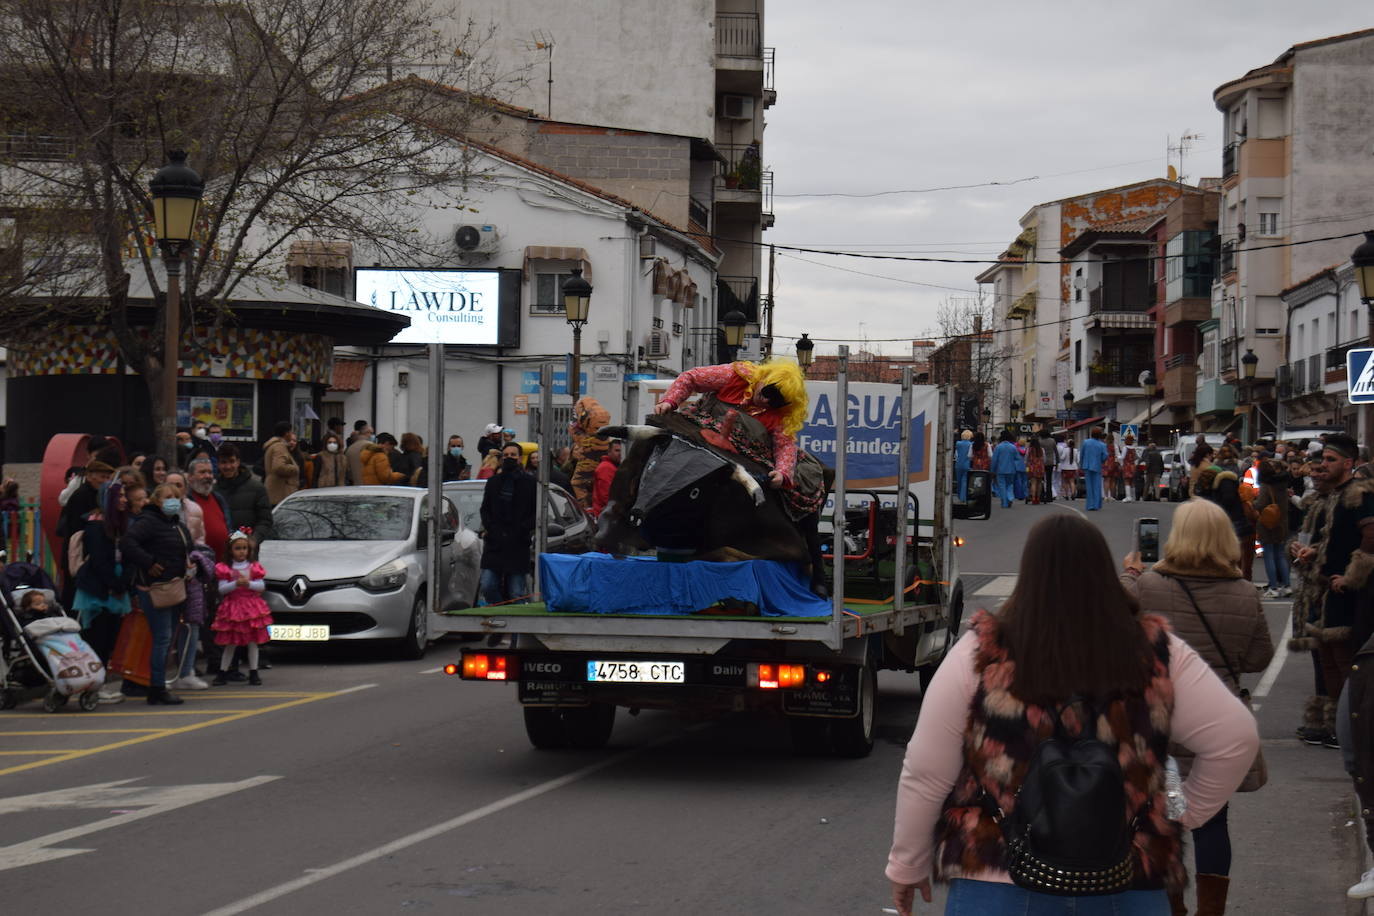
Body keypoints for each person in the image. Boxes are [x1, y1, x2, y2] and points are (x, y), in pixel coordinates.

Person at [886, 514, 1259, 916]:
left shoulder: (981, 653)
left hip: (998, 876)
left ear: (1029, 574)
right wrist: (1183, 812)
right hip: (1127, 877)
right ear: (1104, 572)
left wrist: (907, 864)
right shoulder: (1157, 653)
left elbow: (926, 770)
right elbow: (1236, 739)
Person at [1120, 499, 1274, 915]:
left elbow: (1118, 631)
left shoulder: (1148, 586)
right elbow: (1260, 658)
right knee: (1211, 821)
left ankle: (1170, 905)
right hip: (1213, 724)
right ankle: (1211, 909)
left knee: (1158, 820)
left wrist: (1130, 574)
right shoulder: (1244, 592)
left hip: (1157, 722)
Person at [654, 360, 831, 594]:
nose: (768, 401)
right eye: (769, 392)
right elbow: (690, 378)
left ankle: (817, 569)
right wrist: (670, 401)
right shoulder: (734, 375)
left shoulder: (779, 416)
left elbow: (784, 445)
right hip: (702, 431)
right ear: (764, 380)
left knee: (805, 483)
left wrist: (783, 473)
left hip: (751, 451)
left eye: (777, 400)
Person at [1291, 433, 1374, 750]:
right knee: (1326, 662)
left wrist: (1352, 576)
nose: (1322, 465)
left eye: (1331, 460)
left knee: (1344, 662)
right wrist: (1301, 550)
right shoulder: (1326, 497)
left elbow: (1370, 538)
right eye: (1322, 459)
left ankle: (1351, 729)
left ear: (1349, 463)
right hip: (1319, 592)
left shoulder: (1360, 494)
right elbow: (1320, 539)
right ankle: (1331, 725)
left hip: (1345, 595)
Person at [121, 483, 194, 706]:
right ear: (156, 500)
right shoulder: (149, 521)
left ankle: (158, 682)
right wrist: (149, 562)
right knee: (162, 638)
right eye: (167, 497)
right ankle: (156, 687)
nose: (172, 501)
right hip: (155, 589)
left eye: (176, 497)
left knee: (167, 638)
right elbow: (127, 542)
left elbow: (187, 547)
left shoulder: (175, 524)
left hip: (174, 586)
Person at [72, 481, 142, 702]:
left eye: (124, 495)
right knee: (97, 637)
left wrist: (124, 581)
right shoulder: (95, 526)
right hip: (100, 589)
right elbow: (100, 561)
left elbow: (129, 554)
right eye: (119, 496)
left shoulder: (121, 525)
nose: (124, 499)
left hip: (116, 586)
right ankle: (94, 684)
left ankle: (97, 682)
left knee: (109, 637)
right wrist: (115, 584)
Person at [211, 531, 272, 686]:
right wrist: (235, 584)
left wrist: (248, 584)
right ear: (231, 550)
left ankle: (254, 672)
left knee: (253, 641)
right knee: (230, 642)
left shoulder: (253, 567)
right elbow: (222, 589)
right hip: (233, 607)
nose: (242, 551)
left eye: (244, 548)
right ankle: (222, 672)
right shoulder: (225, 568)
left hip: (251, 608)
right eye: (238, 548)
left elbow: (261, 586)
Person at [479, 443, 537, 605]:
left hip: (518, 544)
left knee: (516, 592)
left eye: (513, 455)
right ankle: (501, 620)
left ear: (519, 458)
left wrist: (523, 529)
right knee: (488, 585)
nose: (509, 458)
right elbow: (485, 509)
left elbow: (536, 512)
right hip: (495, 544)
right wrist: (491, 527)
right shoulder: (493, 482)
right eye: (506, 455)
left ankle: (515, 629)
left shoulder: (530, 483)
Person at [215, 445, 273, 545]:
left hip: (247, 552)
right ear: (218, 464)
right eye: (224, 462)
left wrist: (253, 539)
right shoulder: (213, 490)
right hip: (221, 550)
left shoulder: (257, 489)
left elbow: (265, 520)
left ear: (238, 462)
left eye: (231, 461)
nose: (228, 466)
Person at [1255, 458, 1292, 598]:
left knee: (1269, 555)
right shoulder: (1282, 483)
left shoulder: (1267, 485)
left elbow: (1261, 503)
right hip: (1282, 522)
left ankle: (1273, 586)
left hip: (1268, 523)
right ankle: (1287, 585)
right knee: (1280, 554)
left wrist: (1252, 503)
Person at [261, 421, 301, 505]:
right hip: (280, 493)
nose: (291, 434)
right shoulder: (280, 446)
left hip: (275, 491)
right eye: (291, 431)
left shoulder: (273, 445)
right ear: (286, 433)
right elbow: (279, 467)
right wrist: (295, 468)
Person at [591, 440, 622, 517]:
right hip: (606, 515)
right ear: (609, 452)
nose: (620, 453)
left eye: (621, 450)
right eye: (617, 450)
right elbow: (607, 495)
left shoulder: (611, 466)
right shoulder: (606, 468)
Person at [989, 430, 1019, 510]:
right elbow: (1017, 459)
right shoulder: (1013, 447)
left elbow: (994, 460)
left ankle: (1004, 502)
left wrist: (992, 470)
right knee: (1009, 485)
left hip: (1000, 470)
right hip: (1011, 470)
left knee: (1002, 486)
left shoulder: (998, 447)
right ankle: (1010, 497)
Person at [1080, 427, 1108, 510]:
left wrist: (1081, 464)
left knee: (1089, 486)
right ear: (1100, 435)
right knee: (1097, 486)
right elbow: (1105, 455)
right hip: (1097, 466)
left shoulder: (1086, 442)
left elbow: (1082, 454)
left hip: (1087, 466)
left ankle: (1090, 505)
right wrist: (1101, 461)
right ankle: (1096, 504)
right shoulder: (1102, 444)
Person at [1057, 435, 1078, 500]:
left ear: (1068, 444)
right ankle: (1073, 493)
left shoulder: (1065, 450)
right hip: (1073, 467)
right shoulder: (1076, 450)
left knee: (1065, 482)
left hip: (1065, 468)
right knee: (1072, 481)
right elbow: (1077, 460)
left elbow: (1062, 458)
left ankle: (1066, 495)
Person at [954, 430, 972, 502]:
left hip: (958, 464)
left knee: (958, 481)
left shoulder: (958, 443)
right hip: (966, 464)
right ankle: (963, 497)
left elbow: (956, 454)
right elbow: (970, 455)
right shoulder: (971, 444)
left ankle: (958, 495)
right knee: (964, 481)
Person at [1039, 429, 1057, 502]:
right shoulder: (1052, 441)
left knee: (1041, 480)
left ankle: (1042, 496)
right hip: (1050, 462)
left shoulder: (1040, 441)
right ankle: (1049, 496)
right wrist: (1057, 462)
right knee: (1049, 480)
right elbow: (1056, 452)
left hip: (1042, 462)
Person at [1025, 438, 1044, 505]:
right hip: (1040, 467)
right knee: (1039, 483)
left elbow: (1026, 459)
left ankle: (1033, 498)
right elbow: (1044, 458)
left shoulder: (1029, 449)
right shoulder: (1041, 449)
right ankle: (1038, 498)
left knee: (1033, 483)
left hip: (1032, 467)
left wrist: (1026, 467)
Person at [1121, 434, 1139, 503]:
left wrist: (1118, 457)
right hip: (1132, 466)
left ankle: (1128, 497)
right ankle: (1133, 497)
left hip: (1127, 465)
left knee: (1126, 481)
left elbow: (1122, 457)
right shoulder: (1134, 448)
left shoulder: (1125, 448)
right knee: (1132, 481)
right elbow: (1136, 457)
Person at [1103, 431, 1120, 501]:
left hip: (1106, 463)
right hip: (1113, 464)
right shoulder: (1115, 446)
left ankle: (1106, 496)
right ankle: (1111, 496)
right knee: (1113, 481)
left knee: (1106, 480)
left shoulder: (1104, 445)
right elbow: (1118, 455)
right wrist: (1118, 463)